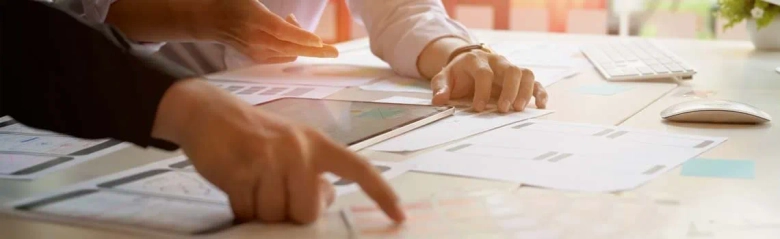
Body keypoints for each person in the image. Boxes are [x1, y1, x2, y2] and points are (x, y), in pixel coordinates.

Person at [1, 0, 403, 224]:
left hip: (190, 102)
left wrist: (448, 47)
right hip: (101, 115)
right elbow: (51, 22)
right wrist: (199, 22)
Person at [59, 0, 549, 113]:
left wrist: (457, 52)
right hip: (94, 102)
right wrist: (203, 14)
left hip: (267, 105)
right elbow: (62, 13)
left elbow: (400, 9)